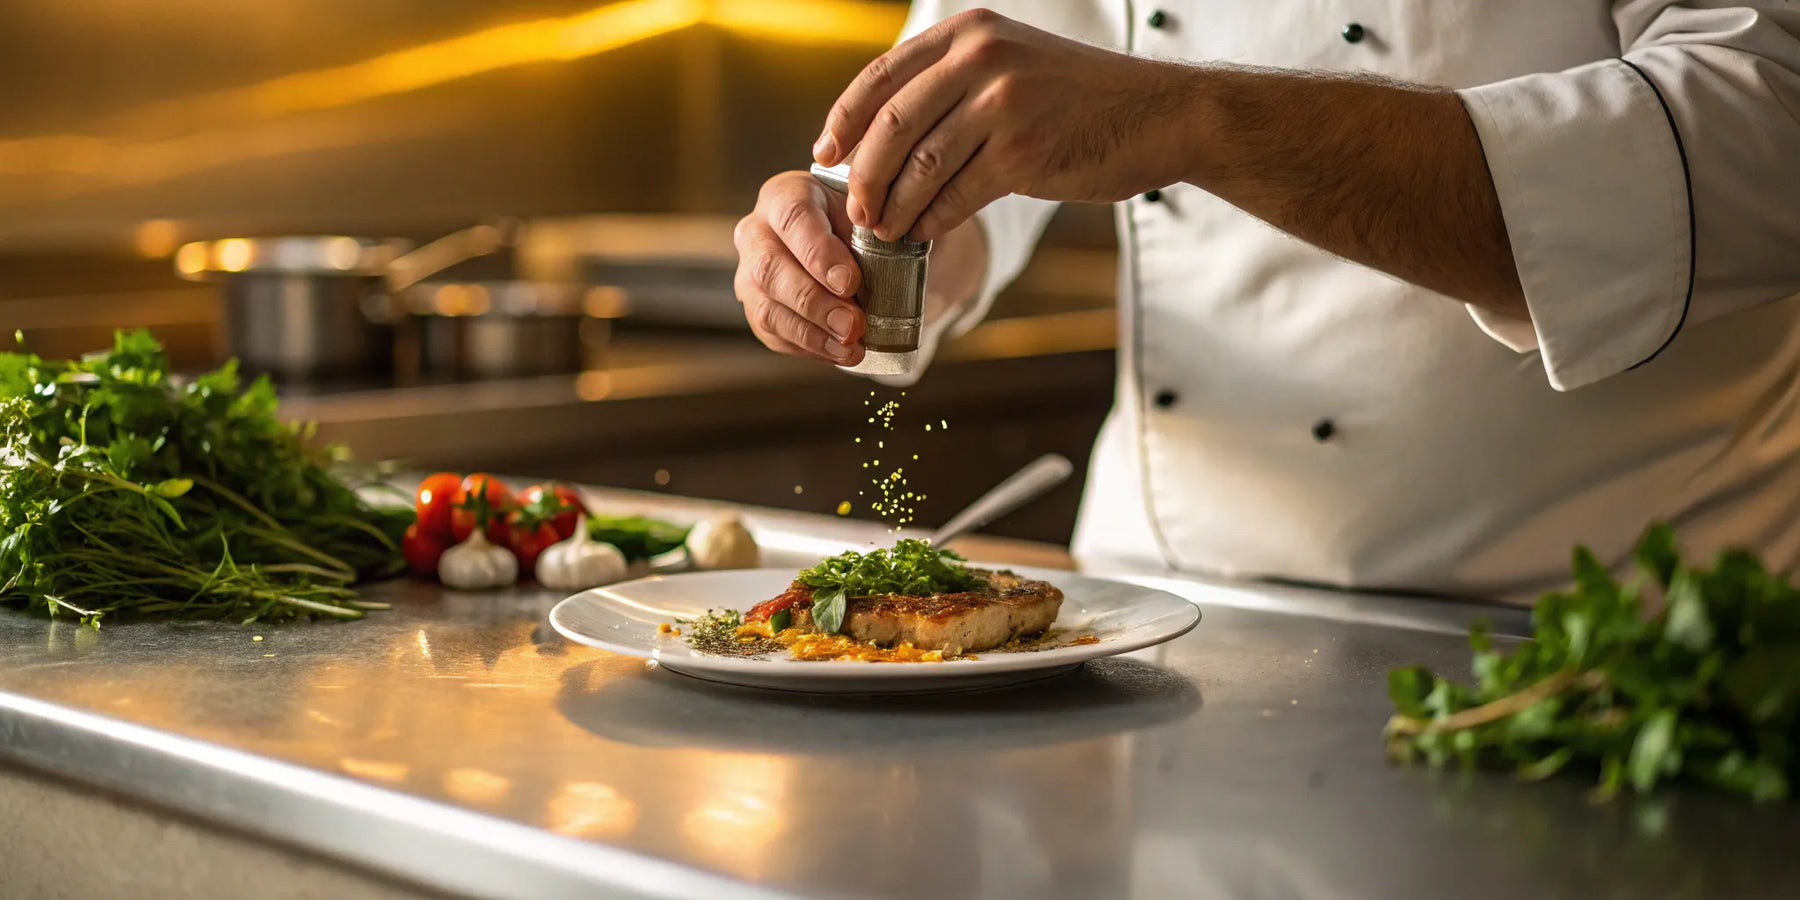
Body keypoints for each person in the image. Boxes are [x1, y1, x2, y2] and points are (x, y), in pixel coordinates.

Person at [732, 1, 1800, 602]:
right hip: (1151, 615)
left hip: (1584, 621)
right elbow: (982, 102)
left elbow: (1764, 116)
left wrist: (1198, 119)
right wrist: (861, 226)